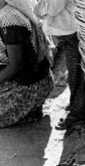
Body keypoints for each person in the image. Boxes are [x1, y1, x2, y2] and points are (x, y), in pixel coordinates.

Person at [34, 0, 85, 130]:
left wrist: (38, 9)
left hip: (70, 31)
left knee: (76, 72)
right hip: (67, 30)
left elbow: (53, 7)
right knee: (74, 71)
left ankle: (79, 113)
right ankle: (77, 107)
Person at [0, 0, 54, 128]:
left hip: (29, 85)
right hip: (34, 78)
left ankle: (29, 111)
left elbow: (16, 65)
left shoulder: (9, 17)